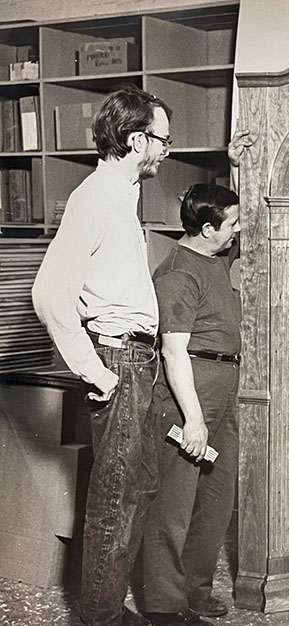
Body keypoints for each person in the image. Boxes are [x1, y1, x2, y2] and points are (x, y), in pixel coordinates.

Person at [32, 85, 172, 626]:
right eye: (161, 139)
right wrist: (95, 370)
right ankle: (99, 618)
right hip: (119, 361)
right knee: (115, 500)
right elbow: (48, 293)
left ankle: (107, 609)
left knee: (137, 489)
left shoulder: (122, 193)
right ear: (137, 141)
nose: (165, 150)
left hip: (138, 360)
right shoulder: (96, 195)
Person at [139, 184, 242, 626]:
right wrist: (194, 420)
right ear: (206, 228)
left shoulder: (214, 258)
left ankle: (196, 591)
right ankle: (164, 605)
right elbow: (173, 352)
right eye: (232, 224)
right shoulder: (179, 272)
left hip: (224, 390)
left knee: (217, 499)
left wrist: (236, 166)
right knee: (174, 506)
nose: (238, 231)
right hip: (190, 395)